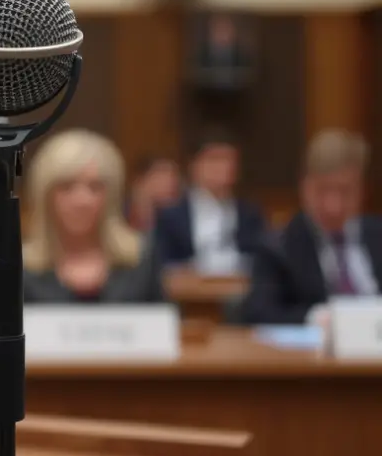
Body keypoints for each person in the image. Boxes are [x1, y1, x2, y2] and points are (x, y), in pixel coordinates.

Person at [243, 130, 381, 324]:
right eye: (322, 191)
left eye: (345, 191)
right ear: (304, 187)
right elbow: (258, 313)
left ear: (362, 189)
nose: (334, 206)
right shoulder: (277, 247)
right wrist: (314, 317)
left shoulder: (377, 236)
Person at [23, 130, 164, 303]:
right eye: (66, 187)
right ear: (45, 196)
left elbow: (162, 325)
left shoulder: (142, 259)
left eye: (95, 187)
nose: (82, 201)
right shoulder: (20, 268)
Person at [154, 131, 265, 273]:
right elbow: (163, 265)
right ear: (194, 165)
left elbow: (260, 260)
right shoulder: (171, 215)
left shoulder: (250, 213)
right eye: (215, 159)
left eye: (230, 160)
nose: (224, 167)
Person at [126, 155, 181, 232]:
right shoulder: (120, 216)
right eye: (163, 172)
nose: (172, 182)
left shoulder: (175, 222)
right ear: (142, 179)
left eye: (174, 175)